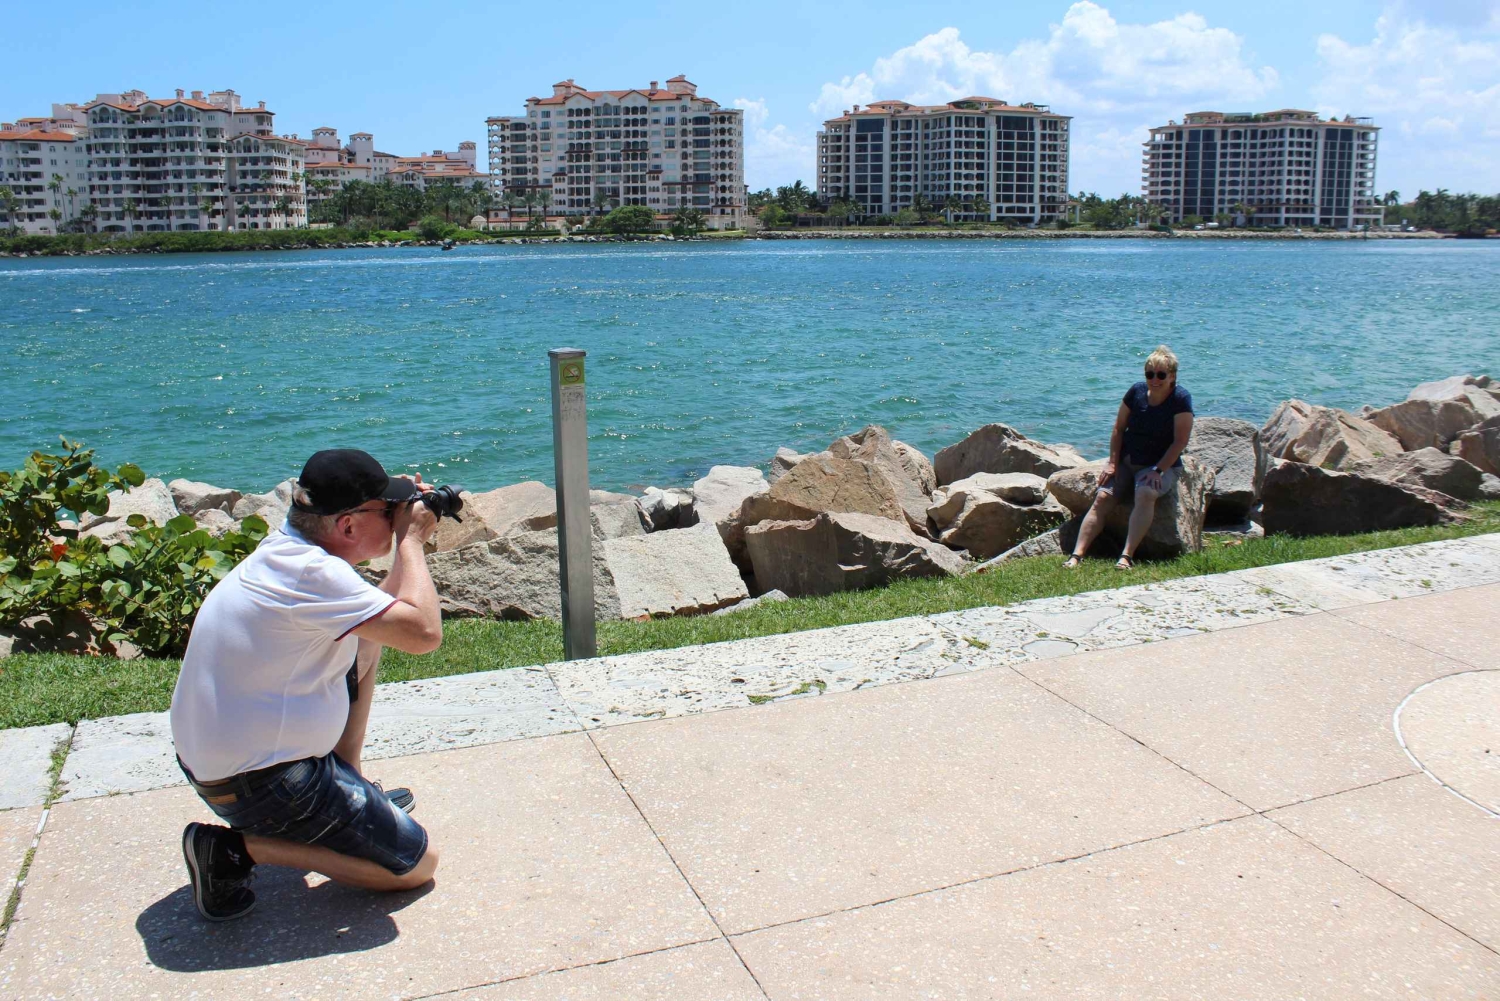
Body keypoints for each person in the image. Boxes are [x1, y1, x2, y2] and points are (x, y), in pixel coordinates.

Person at [170, 448, 444, 921]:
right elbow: (423, 634)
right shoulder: (311, 573)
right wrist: (412, 543)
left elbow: (388, 618)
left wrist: (397, 523)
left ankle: (350, 781)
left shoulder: (289, 553)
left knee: (367, 641)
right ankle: (235, 849)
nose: (397, 517)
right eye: (387, 510)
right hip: (263, 785)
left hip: (231, 767)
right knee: (414, 866)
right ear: (349, 526)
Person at [1065, 346, 1194, 570]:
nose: (1155, 379)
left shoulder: (1180, 399)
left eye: (1161, 374)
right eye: (1150, 374)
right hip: (1127, 462)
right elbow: (1118, 429)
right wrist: (1113, 462)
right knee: (1103, 497)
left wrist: (1158, 470)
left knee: (1145, 492)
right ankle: (1077, 555)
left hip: (1158, 466)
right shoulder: (1135, 392)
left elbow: (1180, 441)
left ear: (1172, 376)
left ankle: (1126, 556)